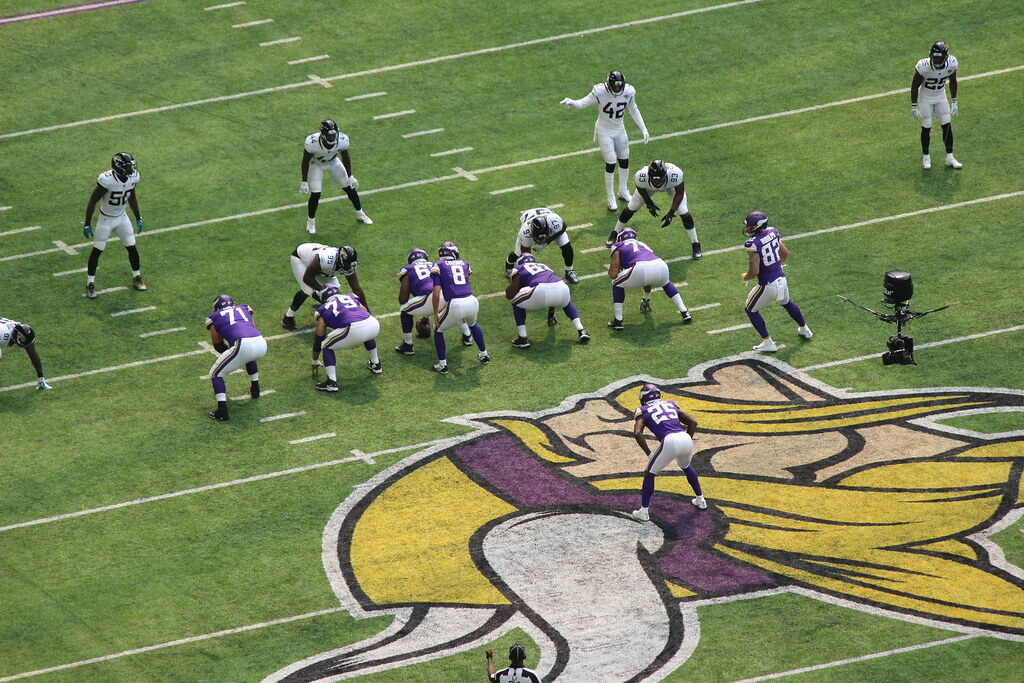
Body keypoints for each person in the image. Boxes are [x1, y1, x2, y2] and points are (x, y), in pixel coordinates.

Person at [560, 70, 649, 212]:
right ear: (609, 84)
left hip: (619, 129)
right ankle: (610, 196)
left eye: (620, 86)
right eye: (615, 86)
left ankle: (623, 190)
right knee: (611, 161)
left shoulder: (629, 92)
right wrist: (573, 103)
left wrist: (643, 128)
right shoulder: (600, 91)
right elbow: (583, 103)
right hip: (604, 131)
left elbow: (633, 109)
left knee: (624, 159)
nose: (617, 89)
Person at [631, 383, 706, 522]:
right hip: (685, 438)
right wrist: (686, 440)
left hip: (669, 440)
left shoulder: (643, 410)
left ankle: (644, 511)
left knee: (649, 474)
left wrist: (649, 453)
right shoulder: (670, 404)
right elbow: (693, 422)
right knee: (686, 466)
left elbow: (637, 433)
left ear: (643, 398)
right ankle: (700, 499)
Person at [741, 211, 813, 352]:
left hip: (767, 285)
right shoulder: (773, 232)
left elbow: (754, 271)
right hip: (781, 279)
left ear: (757, 227)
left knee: (750, 309)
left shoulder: (752, 243)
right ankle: (805, 329)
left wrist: (745, 276)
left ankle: (768, 342)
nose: (748, 228)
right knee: (787, 303)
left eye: (750, 226)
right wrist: (775, 266)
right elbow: (785, 253)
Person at [82, 152, 147, 299]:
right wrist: (87, 223)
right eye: (128, 166)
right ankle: (90, 283)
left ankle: (137, 276)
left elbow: (132, 197)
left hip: (122, 217)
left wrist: (138, 217)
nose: (131, 169)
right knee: (98, 250)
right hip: (106, 219)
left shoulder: (132, 177)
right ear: (119, 167)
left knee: (132, 246)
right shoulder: (107, 181)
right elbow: (93, 201)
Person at [609, 159, 702, 259]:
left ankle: (696, 244)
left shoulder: (675, 174)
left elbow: (679, 193)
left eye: (659, 179)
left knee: (684, 211)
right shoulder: (641, 176)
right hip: (649, 188)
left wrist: (671, 213)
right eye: (655, 179)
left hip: (670, 186)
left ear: (665, 175)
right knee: (631, 207)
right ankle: (614, 233)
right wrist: (649, 204)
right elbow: (641, 189)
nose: (657, 182)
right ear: (649, 176)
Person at [607, 228, 692, 330]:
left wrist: (618, 269)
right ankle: (684, 312)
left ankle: (618, 321)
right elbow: (648, 274)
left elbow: (613, 273)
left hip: (640, 267)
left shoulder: (617, 245)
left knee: (616, 283)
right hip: (660, 264)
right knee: (665, 283)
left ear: (620, 238)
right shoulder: (643, 244)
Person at [299, 119, 373, 233]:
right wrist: (304, 181)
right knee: (316, 194)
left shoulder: (342, 140)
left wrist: (350, 176)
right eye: (330, 134)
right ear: (323, 134)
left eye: (334, 134)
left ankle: (360, 214)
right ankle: (311, 222)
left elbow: (346, 158)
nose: (333, 137)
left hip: (333, 162)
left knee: (349, 187)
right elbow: (305, 161)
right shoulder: (312, 142)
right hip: (316, 164)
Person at [394, 247, 471, 356]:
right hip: (448, 294)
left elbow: (403, 299)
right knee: (453, 310)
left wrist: (413, 286)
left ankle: (408, 345)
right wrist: (425, 316)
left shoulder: (408, 269)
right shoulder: (436, 264)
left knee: (404, 310)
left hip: (431, 296)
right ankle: (467, 335)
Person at [205, 295, 267, 421]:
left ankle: (222, 411)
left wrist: (230, 353)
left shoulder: (214, 317)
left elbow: (217, 343)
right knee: (248, 356)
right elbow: (252, 327)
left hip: (243, 345)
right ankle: (255, 388)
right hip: (261, 342)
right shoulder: (244, 308)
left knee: (215, 374)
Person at [506, 253, 590, 347]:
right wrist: (551, 313)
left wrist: (509, 290)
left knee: (515, 300)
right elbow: (551, 286)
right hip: (562, 286)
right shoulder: (544, 266)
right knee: (566, 303)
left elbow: (511, 293)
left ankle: (522, 337)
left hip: (541, 289)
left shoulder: (519, 267)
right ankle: (581, 330)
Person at [430, 241, 489, 373]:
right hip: (472, 300)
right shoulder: (465, 263)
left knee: (437, 329)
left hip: (456, 304)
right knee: (473, 324)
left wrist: (435, 313)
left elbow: (436, 291)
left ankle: (442, 364)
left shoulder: (438, 265)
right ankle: (484, 354)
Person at [282, 242, 368, 330]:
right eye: (346, 265)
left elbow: (356, 288)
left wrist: (367, 312)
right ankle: (288, 318)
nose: (348, 268)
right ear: (341, 260)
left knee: (335, 293)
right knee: (309, 291)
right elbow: (307, 278)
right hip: (301, 259)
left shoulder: (347, 263)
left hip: (321, 267)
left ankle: (331, 310)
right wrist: (323, 291)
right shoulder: (327, 259)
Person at [310, 286, 381, 392]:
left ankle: (331, 382)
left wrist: (314, 359)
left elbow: (319, 334)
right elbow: (364, 310)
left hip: (354, 328)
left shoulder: (323, 308)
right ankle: (376, 364)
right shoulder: (350, 296)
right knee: (366, 332)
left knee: (325, 345)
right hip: (373, 324)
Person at [911, 42, 962, 169]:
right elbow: (914, 86)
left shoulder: (951, 63)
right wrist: (914, 105)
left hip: (940, 96)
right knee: (926, 126)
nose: (937, 60)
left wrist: (954, 101)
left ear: (945, 57)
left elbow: (953, 81)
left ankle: (950, 157)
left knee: (947, 125)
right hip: (925, 98)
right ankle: (926, 157)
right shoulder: (923, 66)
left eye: (939, 58)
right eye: (935, 57)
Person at [505, 207, 579, 284]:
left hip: (551, 230)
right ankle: (509, 267)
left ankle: (569, 271)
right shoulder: (525, 232)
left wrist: (547, 242)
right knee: (519, 254)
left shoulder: (554, 221)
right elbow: (525, 253)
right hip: (530, 223)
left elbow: (563, 228)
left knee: (567, 247)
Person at [0, 317, 52, 390]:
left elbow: (33, 354)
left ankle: (41, 382)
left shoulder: (24, 333)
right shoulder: (3, 333)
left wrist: (41, 377)